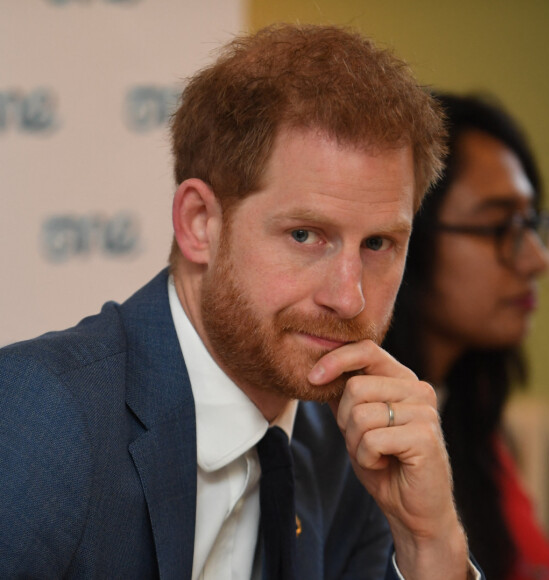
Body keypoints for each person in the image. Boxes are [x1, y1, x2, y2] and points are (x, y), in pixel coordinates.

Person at [0, 25, 481, 579]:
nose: (349, 297)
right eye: (305, 235)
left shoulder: (355, 448)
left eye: (378, 244)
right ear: (199, 223)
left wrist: (430, 541)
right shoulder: (42, 418)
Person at [382, 92, 549, 580]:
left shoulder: (471, 409)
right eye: (499, 226)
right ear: (409, 239)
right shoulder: (359, 431)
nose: (537, 259)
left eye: (532, 224)